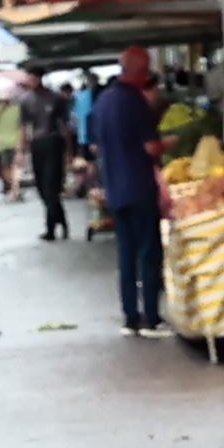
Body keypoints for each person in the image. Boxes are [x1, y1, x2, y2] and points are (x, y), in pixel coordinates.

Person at [89, 46, 166, 335]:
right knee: (148, 253)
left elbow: (97, 145)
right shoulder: (135, 102)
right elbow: (150, 146)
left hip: (115, 188)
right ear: (140, 71)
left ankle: (130, 318)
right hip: (139, 186)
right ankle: (151, 319)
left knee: (126, 254)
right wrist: (167, 143)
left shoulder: (103, 101)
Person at [26, 78, 72, 242]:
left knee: (52, 186)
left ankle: (51, 227)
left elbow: (64, 125)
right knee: (42, 188)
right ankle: (60, 220)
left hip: (53, 142)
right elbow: (24, 126)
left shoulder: (55, 99)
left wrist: (69, 152)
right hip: (37, 144)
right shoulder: (27, 100)